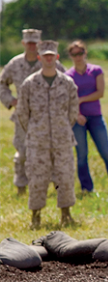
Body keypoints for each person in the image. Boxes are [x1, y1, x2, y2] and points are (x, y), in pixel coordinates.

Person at [16, 40, 78, 228]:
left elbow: (73, 111)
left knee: (65, 176)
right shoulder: (29, 83)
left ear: (57, 57)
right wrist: (36, 130)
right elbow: (22, 112)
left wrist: (62, 127)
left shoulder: (67, 83)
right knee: (37, 178)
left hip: (62, 140)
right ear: (39, 58)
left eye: (52, 55)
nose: (49, 58)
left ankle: (66, 214)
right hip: (37, 141)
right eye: (45, 56)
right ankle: (36, 216)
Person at [0, 29, 65, 195]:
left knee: (51, 152)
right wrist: (11, 101)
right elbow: (2, 84)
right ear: (23, 43)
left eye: (35, 43)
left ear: (40, 43)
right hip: (23, 117)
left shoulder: (50, 62)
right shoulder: (14, 64)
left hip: (48, 117)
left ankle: (56, 187)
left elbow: (66, 83)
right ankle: (21, 186)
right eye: (29, 43)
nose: (32, 46)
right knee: (22, 152)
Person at [65, 40, 108, 193]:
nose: (78, 57)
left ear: (85, 53)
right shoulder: (68, 75)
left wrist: (82, 99)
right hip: (78, 120)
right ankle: (86, 188)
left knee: (106, 152)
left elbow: (100, 92)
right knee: (82, 154)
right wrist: (77, 114)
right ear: (70, 56)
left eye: (80, 53)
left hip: (95, 117)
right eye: (74, 54)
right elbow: (68, 100)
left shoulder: (96, 70)